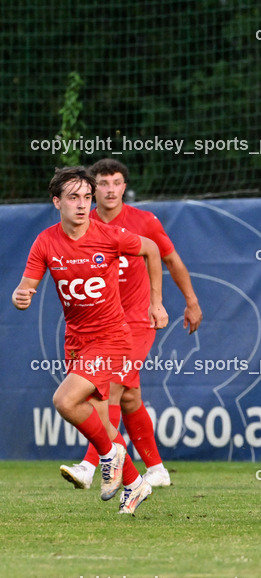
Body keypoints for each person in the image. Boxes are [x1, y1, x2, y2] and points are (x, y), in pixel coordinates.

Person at [12, 167, 168, 515]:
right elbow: (26, 287)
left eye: (87, 197)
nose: (82, 205)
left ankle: (106, 458)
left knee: (65, 401)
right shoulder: (45, 241)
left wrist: (155, 303)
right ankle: (135, 484)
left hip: (112, 337)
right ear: (57, 202)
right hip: (76, 340)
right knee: (103, 421)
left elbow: (153, 250)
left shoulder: (110, 236)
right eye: (73, 198)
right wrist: (20, 295)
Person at [57, 159, 203, 492]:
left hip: (136, 323)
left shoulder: (143, 221)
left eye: (116, 182)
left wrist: (188, 301)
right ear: (93, 189)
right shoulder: (82, 223)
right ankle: (156, 468)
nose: (110, 190)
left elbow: (170, 259)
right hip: (99, 326)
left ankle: (90, 465)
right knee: (130, 398)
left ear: (124, 187)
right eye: (103, 183)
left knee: (111, 389)